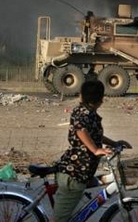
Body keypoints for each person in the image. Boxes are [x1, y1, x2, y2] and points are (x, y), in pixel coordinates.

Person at [54, 80, 131, 222]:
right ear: (100, 99)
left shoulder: (90, 113)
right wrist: (96, 150)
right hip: (74, 173)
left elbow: (94, 134)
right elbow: (81, 131)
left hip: (83, 173)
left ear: (82, 96)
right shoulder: (83, 113)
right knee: (60, 219)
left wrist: (114, 143)